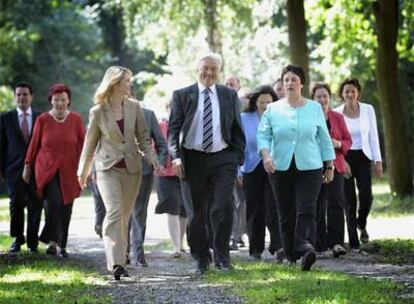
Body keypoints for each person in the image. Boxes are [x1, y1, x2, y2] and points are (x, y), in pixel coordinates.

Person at [77, 66, 159, 280]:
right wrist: (83, 171)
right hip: (107, 168)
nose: (129, 85)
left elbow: (143, 137)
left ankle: (121, 260)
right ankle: (116, 264)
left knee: (124, 216)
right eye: (126, 81)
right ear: (114, 83)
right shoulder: (98, 111)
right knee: (114, 211)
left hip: (132, 169)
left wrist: (152, 157)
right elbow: (90, 143)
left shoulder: (135, 107)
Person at [168, 53, 245, 274]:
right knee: (196, 214)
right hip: (192, 160)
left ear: (219, 71)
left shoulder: (229, 95)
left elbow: (237, 130)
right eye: (205, 68)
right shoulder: (182, 95)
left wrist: (237, 158)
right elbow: (173, 130)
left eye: (214, 69)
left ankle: (222, 258)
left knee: (222, 207)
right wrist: (176, 157)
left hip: (223, 158)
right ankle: (201, 258)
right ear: (198, 69)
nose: (209, 73)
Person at [257, 64, 335, 271]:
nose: (289, 83)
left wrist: (329, 166)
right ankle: (291, 255)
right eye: (286, 80)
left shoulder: (314, 108)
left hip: (310, 166)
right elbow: (263, 135)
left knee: (306, 208)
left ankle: (306, 248)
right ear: (282, 85)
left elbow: (324, 138)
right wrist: (266, 156)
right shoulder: (273, 109)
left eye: (294, 79)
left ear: (302, 84)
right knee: (285, 212)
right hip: (280, 166)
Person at [23, 83, 85, 257]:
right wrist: (28, 165)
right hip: (47, 170)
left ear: (68, 101)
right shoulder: (42, 119)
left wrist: (86, 168)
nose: (60, 103)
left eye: (63, 100)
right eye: (56, 100)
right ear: (51, 101)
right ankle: (51, 241)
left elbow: (83, 145)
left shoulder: (76, 120)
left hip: (70, 170)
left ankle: (61, 245)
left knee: (67, 207)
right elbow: (34, 144)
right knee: (53, 205)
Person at [334, 78, 383, 249]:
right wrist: (340, 160)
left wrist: (378, 160)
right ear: (342, 94)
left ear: (358, 93)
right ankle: (354, 243)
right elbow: (336, 139)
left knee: (366, 196)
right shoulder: (336, 113)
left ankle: (361, 223)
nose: (350, 94)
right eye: (346, 91)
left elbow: (373, 136)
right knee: (349, 200)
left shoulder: (368, 110)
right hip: (345, 157)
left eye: (353, 91)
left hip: (363, 156)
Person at [240, 85, 281, 260]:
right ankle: (255, 249)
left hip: (274, 167)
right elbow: (238, 146)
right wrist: (237, 171)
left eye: (269, 102)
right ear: (255, 102)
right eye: (262, 101)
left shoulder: (280, 117)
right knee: (255, 209)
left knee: (274, 207)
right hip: (251, 168)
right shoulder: (244, 118)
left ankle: (278, 246)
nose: (265, 105)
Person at [0, 82, 42, 253]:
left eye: (25, 94)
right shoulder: (5, 119)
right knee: (15, 204)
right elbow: (1, 147)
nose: (22, 98)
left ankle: (33, 242)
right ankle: (17, 239)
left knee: (35, 204)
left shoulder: (41, 118)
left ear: (31, 97)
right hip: (13, 171)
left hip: (37, 171)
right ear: (14, 97)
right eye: (18, 94)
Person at [311, 83, 352, 257]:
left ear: (330, 98)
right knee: (316, 204)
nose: (322, 99)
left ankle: (336, 243)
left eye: (325, 96)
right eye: (318, 96)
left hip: (336, 165)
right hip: (313, 166)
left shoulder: (338, 117)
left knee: (336, 202)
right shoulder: (308, 117)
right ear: (313, 99)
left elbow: (348, 141)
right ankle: (318, 244)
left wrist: (338, 144)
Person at [130, 107, 168, 267]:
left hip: (143, 170)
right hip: (116, 170)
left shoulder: (148, 114)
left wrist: (158, 163)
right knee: (119, 212)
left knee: (139, 212)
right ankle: (121, 252)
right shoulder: (109, 112)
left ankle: (138, 253)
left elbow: (161, 144)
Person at [155, 101, 187, 258]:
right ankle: (176, 247)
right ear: (167, 109)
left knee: (184, 211)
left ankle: (180, 243)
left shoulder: (186, 126)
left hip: (184, 174)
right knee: (172, 208)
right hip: (166, 174)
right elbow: (155, 147)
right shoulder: (161, 126)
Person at [224, 74, 246, 251]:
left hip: (247, 162)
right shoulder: (221, 105)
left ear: (239, 86)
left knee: (242, 202)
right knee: (231, 201)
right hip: (229, 163)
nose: (228, 86)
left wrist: (242, 167)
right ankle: (233, 236)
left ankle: (239, 235)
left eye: (232, 84)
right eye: (226, 84)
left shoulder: (245, 108)